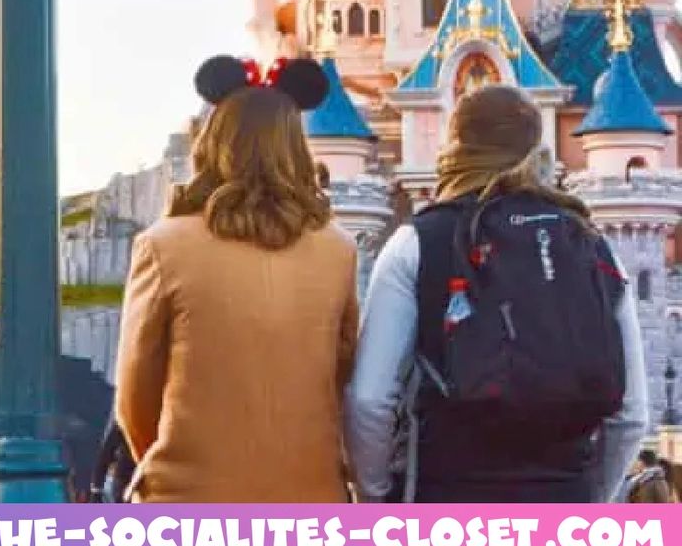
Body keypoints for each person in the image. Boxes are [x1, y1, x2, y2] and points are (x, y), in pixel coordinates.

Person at [345, 84, 648, 503]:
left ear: (456, 147)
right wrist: (590, 497)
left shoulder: (418, 242)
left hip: (447, 501)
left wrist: (377, 494)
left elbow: (370, 400)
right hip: (562, 503)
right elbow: (630, 415)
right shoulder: (590, 243)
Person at [115, 54, 358, 503]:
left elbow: (136, 394)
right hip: (310, 499)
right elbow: (340, 377)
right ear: (296, 147)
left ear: (213, 142)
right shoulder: (337, 250)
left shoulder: (162, 246)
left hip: (188, 500)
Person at [90, 416, 135, 502]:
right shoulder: (126, 416)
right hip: (126, 480)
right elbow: (107, 451)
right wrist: (96, 489)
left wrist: (96, 489)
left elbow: (107, 451)